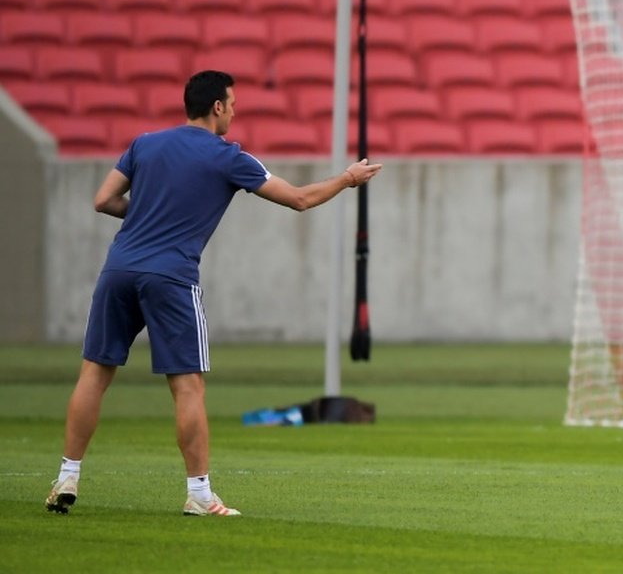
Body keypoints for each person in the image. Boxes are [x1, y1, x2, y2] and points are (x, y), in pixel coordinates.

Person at [45, 71, 382, 517]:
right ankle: (200, 496)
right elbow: (299, 198)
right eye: (233, 103)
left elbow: (103, 200)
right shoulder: (228, 157)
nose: (235, 111)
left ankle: (67, 475)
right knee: (187, 386)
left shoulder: (144, 144)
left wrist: (146, 214)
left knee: (94, 374)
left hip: (119, 269)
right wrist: (347, 178)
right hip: (171, 276)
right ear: (218, 107)